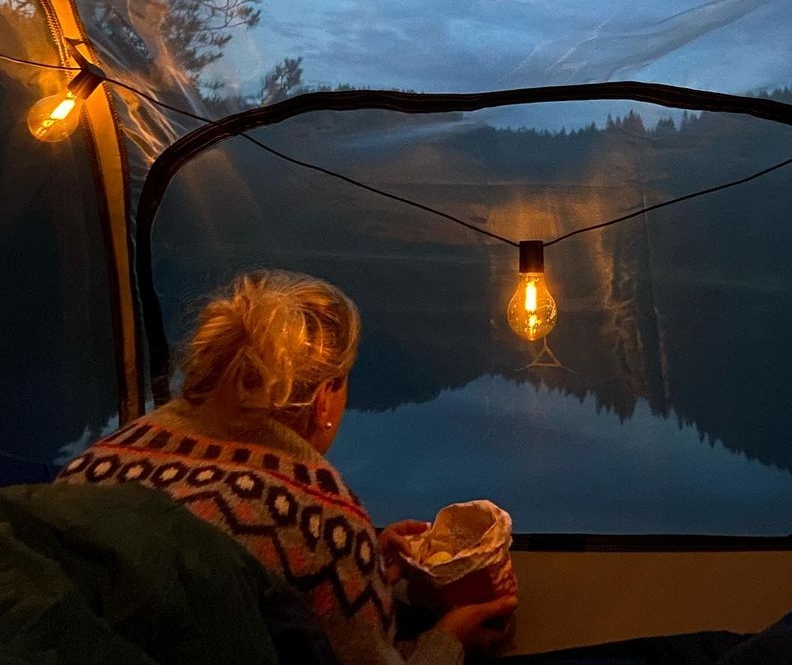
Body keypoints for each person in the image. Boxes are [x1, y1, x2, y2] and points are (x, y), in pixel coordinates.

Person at [58, 269, 517, 665]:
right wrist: (449, 640)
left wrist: (368, 564)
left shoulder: (95, 466)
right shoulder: (318, 519)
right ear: (323, 402)